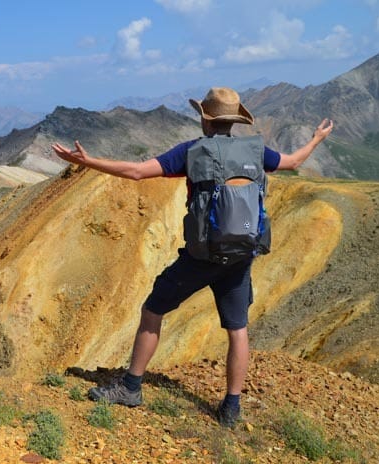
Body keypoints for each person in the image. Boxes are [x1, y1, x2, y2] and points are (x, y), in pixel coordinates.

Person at [51, 87, 333, 427]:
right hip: (242, 254)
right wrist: (316, 138)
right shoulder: (256, 151)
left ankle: (131, 387)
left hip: (202, 257)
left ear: (205, 118)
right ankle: (231, 407)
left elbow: (137, 172)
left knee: (153, 309)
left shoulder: (192, 151)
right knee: (237, 329)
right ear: (233, 121)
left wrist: (88, 161)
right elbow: (293, 162)